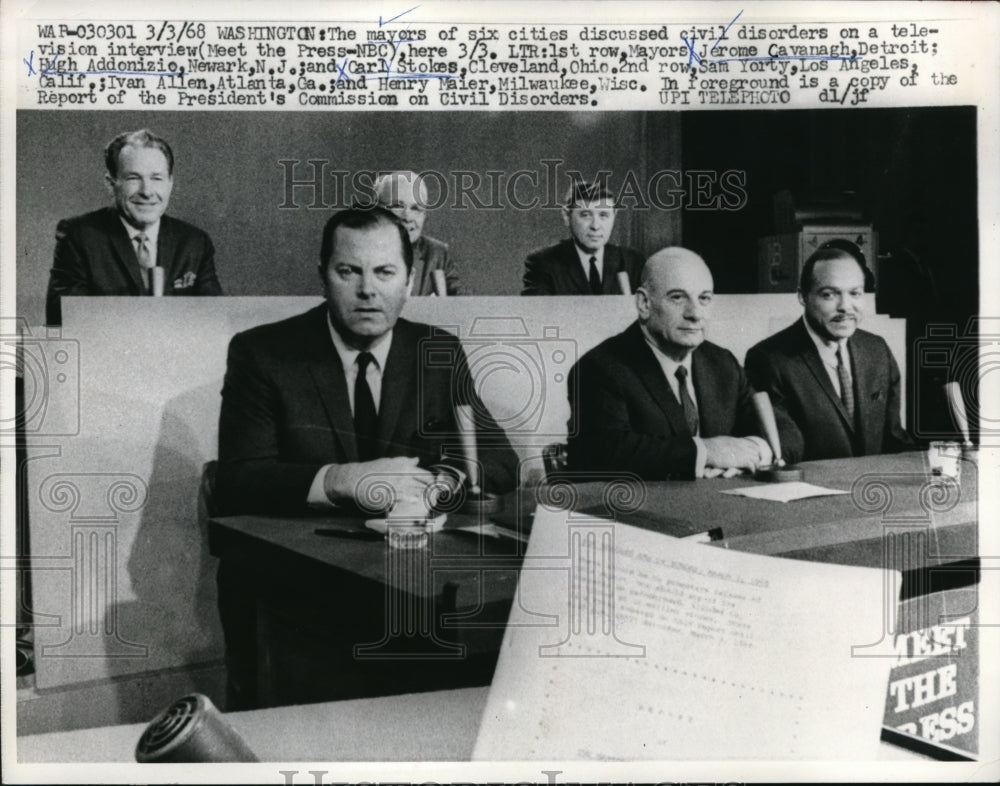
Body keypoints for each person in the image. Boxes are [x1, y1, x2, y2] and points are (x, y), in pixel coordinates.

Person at [213, 206, 516, 707]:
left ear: (409, 281)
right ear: (323, 276)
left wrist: (440, 483)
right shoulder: (262, 353)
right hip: (299, 592)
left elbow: (500, 460)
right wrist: (341, 479)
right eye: (348, 271)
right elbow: (237, 481)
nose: (367, 290)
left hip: (407, 585)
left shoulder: (437, 350)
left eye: (384, 272)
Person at [567, 246, 800, 480]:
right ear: (644, 303)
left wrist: (753, 451)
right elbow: (604, 452)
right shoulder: (599, 368)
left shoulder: (722, 363)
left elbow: (788, 432)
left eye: (704, 298)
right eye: (677, 298)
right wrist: (706, 452)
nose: (695, 314)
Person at [745, 246, 912, 460]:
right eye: (829, 295)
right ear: (803, 297)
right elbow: (783, 451)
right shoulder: (768, 360)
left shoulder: (877, 350)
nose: (845, 307)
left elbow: (894, 440)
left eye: (855, 293)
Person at [45, 129, 222, 325]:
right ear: (111, 184)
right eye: (133, 178)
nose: (147, 191)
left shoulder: (195, 242)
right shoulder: (78, 236)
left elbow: (215, 321)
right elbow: (62, 319)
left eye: (156, 178)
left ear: (170, 183)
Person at [522, 180, 644, 296]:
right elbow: (536, 310)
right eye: (585, 215)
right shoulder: (543, 263)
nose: (595, 226)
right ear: (566, 216)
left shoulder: (633, 261)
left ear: (614, 215)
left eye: (603, 215)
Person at [374, 171, 463, 295]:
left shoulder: (437, 254)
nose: (407, 217)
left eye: (416, 208)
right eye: (397, 206)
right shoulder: (356, 250)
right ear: (376, 210)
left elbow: (460, 303)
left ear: (424, 215)